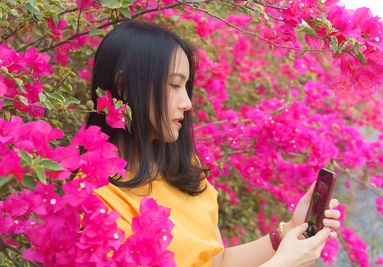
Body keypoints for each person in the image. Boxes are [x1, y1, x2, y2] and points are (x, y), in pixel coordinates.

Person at [85, 20, 341, 267]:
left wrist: (291, 229)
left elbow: (217, 261)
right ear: (124, 87)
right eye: (174, 85)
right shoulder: (96, 198)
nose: (187, 102)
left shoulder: (182, 172)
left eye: (186, 86)